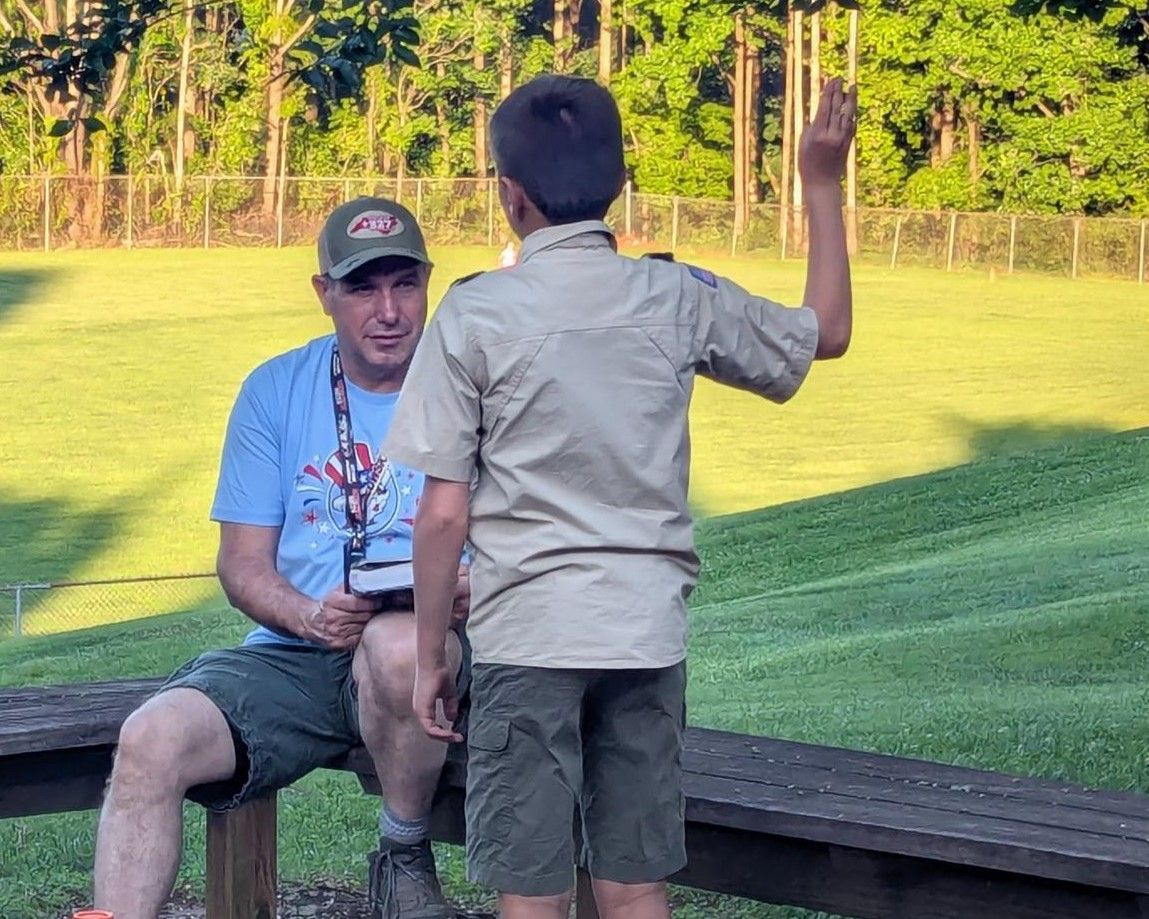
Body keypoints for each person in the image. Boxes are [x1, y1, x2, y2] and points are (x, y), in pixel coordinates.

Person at [384, 74, 856, 919]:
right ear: (620, 186)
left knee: (532, 889)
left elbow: (444, 513)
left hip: (527, 636)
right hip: (644, 632)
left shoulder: (474, 313)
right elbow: (823, 333)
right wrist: (819, 182)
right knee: (633, 882)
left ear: (510, 195)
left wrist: (428, 659)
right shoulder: (675, 297)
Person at [93, 197, 468, 919]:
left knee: (394, 645)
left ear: (428, 282)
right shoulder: (275, 389)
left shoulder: (471, 387)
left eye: (405, 284)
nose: (389, 310)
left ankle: (403, 854)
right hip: (297, 650)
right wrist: (307, 613)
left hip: (433, 650)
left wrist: (465, 591)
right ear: (324, 293)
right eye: (362, 287)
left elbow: (526, 553)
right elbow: (241, 563)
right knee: (150, 737)